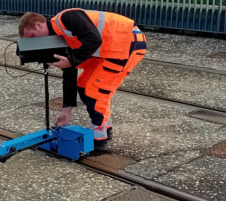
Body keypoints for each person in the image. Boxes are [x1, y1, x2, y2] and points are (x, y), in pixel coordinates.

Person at [18, 9, 147, 152]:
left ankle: (99, 138)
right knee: (83, 85)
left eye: (33, 36)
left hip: (128, 42)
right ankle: (105, 125)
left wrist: (72, 60)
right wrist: (66, 111)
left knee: (95, 91)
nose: (35, 42)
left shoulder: (66, 18)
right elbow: (69, 72)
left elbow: (94, 39)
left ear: (39, 25)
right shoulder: (59, 38)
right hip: (111, 49)